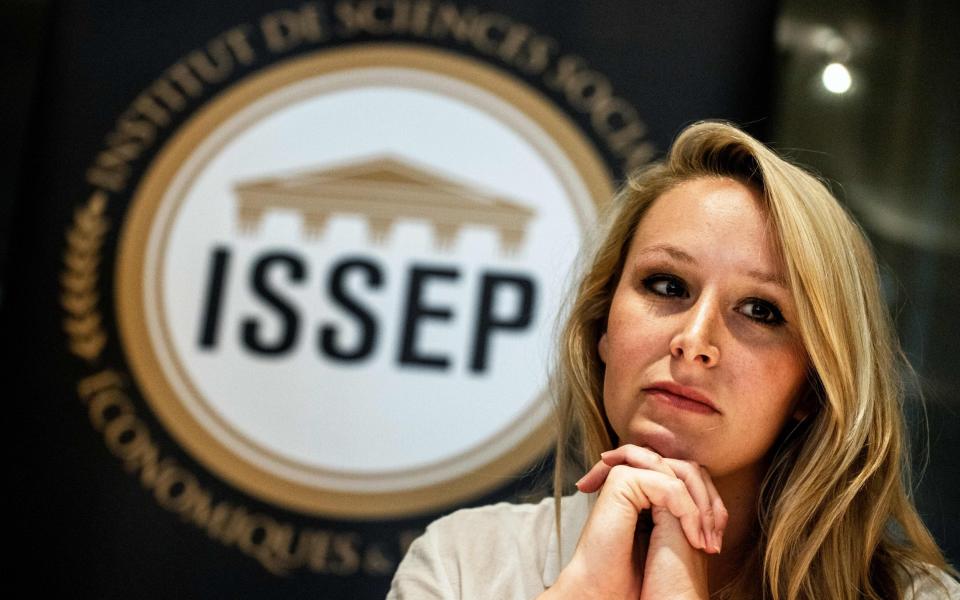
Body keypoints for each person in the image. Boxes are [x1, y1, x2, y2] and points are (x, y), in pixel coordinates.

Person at [386, 121, 960, 599]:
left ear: (813, 386)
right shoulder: (463, 564)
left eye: (760, 310)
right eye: (666, 285)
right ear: (601, 328)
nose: (694, 338)